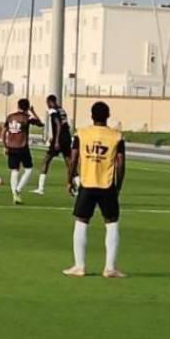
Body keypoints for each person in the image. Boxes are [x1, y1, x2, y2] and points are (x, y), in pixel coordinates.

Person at [63, 101, 126, 278]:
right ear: (108, 116)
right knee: (112, 223)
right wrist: (118, 186)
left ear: (91, 115)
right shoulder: (116, 136)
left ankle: (79, 266)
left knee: (81, 222)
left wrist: (69, 180)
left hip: (87, 184)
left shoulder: (82, 133)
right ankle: (110, 268)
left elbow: (73, 158)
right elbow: (120, 164)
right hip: (107, 184)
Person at [2, 98, 43, 205]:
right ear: (27, 107)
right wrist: (33, 111)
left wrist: (5, 146)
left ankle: (14, 193)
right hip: (22, 147)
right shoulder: (27, 118)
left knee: (14, 171)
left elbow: (4, 131)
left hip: (11, 146)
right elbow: (40, 124)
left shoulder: (10, 117)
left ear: (18, 106)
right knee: (28, 169)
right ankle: (18, 190)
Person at [34, 93, 72, 196]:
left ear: (51, 102)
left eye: (47, 103)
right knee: (69, 163)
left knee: (46, 160)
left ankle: (40, 188)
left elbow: (58, 125)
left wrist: (56, 140)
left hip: (59, 138)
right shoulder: (62, 110)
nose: (47, 105)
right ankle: (77, 186)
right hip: (67, 137)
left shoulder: (53, 111)